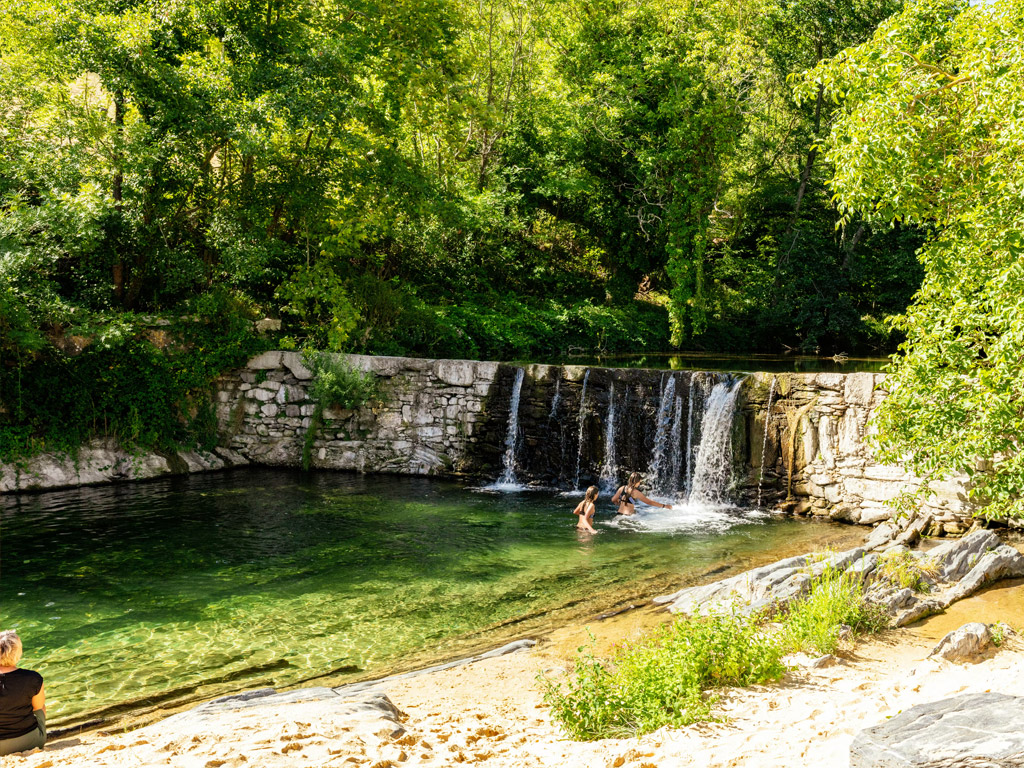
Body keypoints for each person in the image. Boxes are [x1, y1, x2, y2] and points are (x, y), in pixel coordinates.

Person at [0, 630, 46, 757]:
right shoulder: (33, 678)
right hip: (29, 742)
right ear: (18, 652)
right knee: (40, 707)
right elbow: (38, 708)